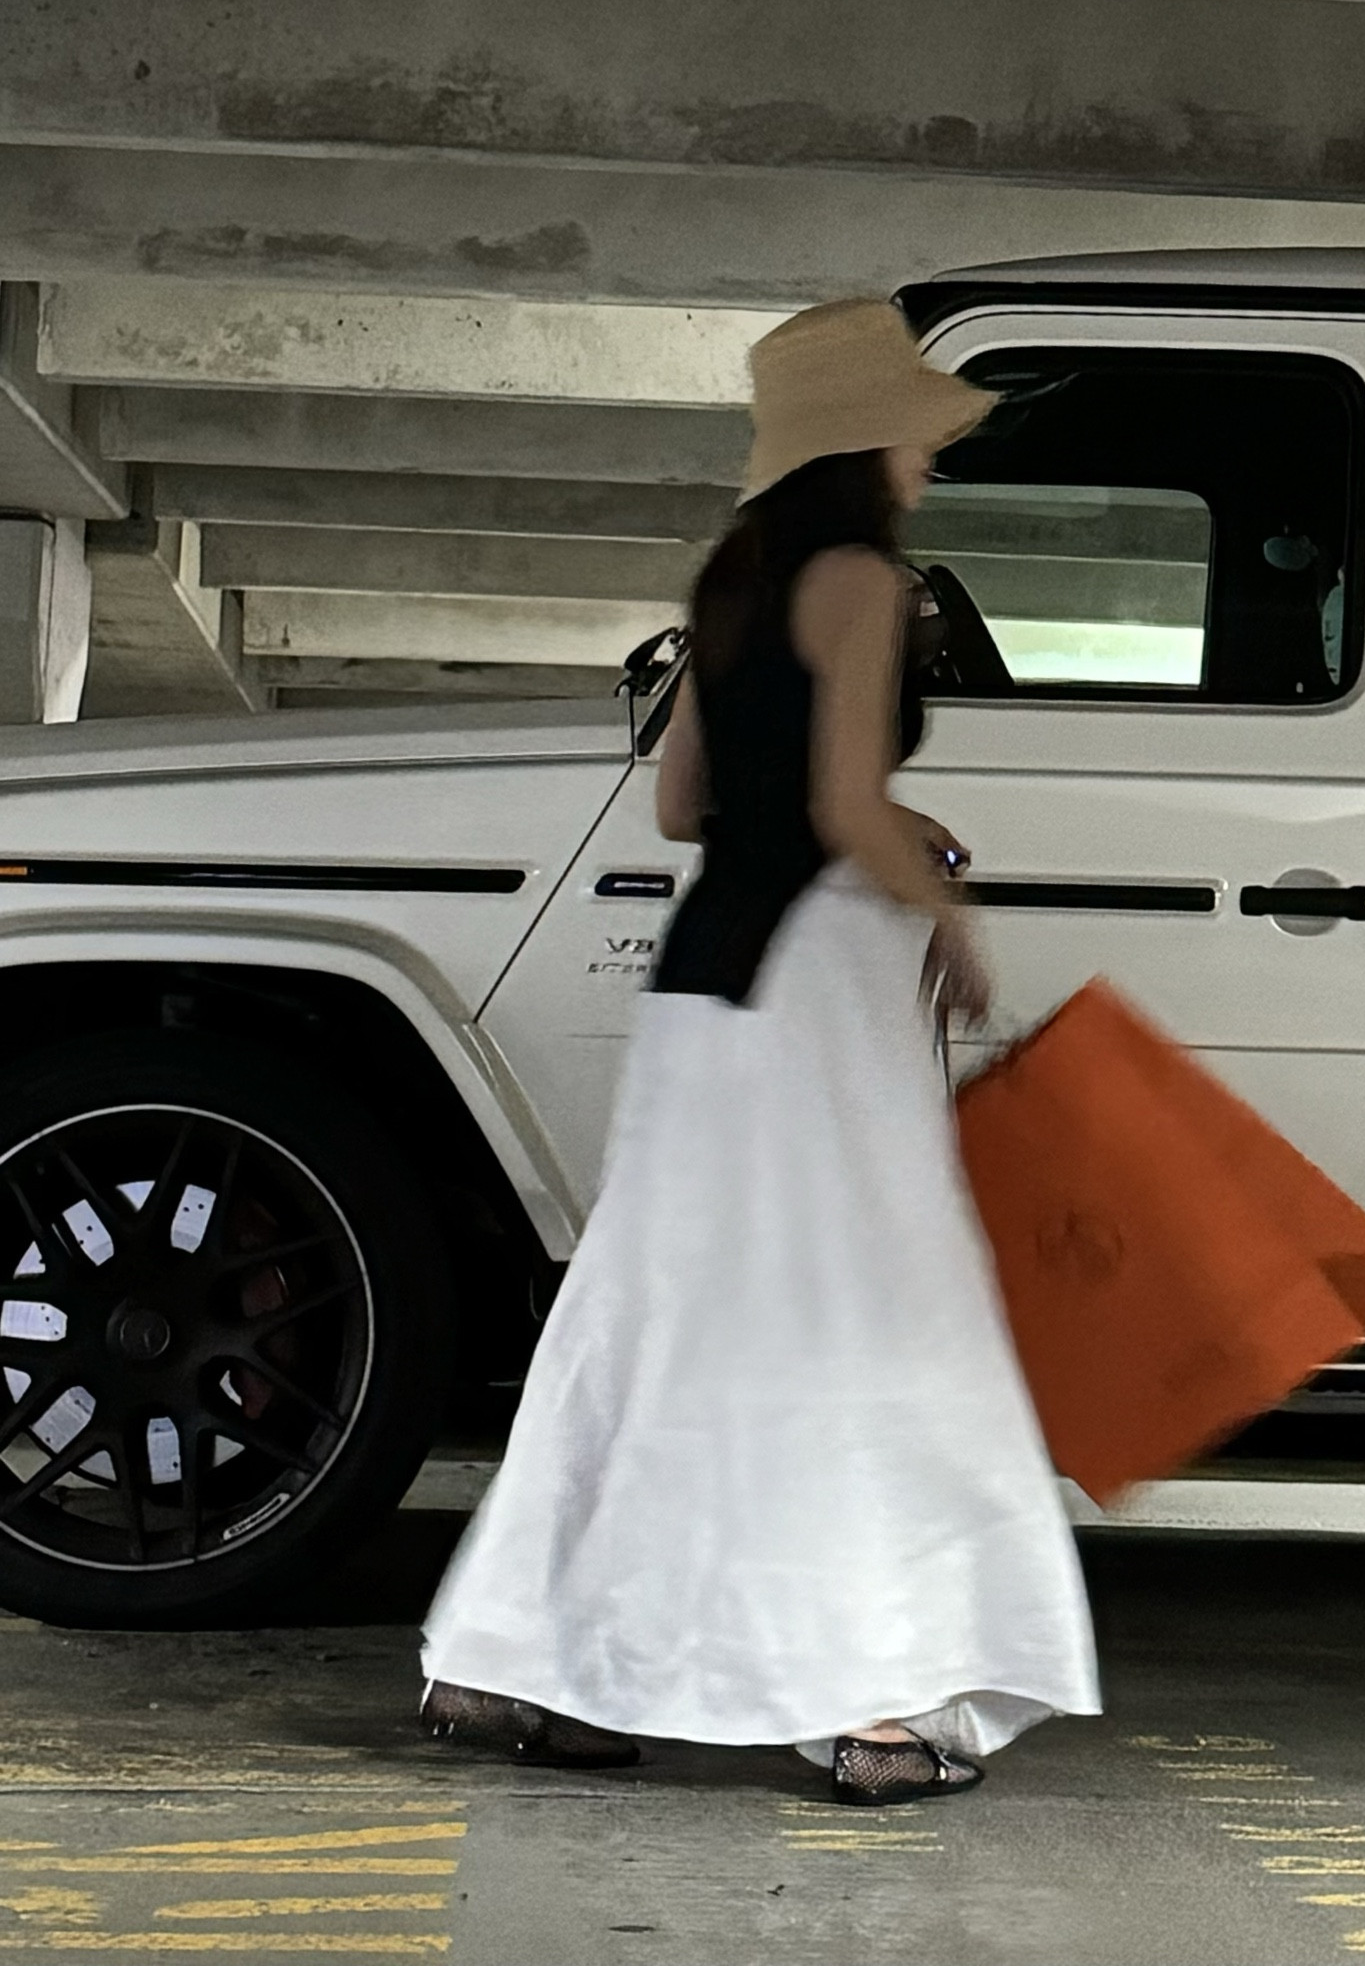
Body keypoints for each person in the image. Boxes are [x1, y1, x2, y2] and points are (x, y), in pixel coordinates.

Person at [419, 299, 1101, 1806]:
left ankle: (514, 1663)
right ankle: (878, 1701)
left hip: (707, 985)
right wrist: (952, 913)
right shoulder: (867, 580)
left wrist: (879, 828)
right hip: (820, 987)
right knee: (864, 1322)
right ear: (866, 439)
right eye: (920, 426)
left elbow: (685, 807)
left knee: (658, 1315)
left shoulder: (732, 579)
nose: (935, 448)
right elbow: (847, 805)